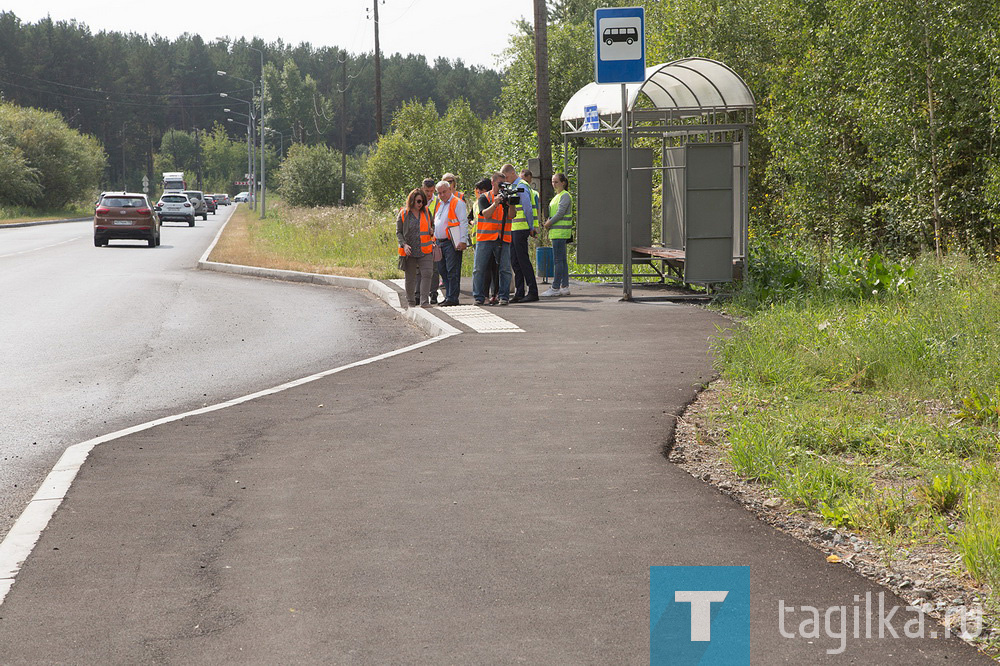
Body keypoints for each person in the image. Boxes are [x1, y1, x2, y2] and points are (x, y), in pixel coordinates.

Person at [472, 175, 513, 306]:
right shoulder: (485, 197)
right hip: (485, 237)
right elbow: (486, 214)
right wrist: (496, 203)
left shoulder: (506, 197)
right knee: (479, 268)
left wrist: (510, 204)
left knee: (505, 269)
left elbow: (512, 215)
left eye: (503, 184)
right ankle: (479, 296)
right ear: (492, 183)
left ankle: (503, 296)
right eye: (499, 184)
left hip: (503, 237)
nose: (501, 187)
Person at [501, 163, 538, 303]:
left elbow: (527, 208)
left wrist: (531, 226)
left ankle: (532, 291)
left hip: (521, 228)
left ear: (511, 173)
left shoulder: (521, 186)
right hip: (515, 228)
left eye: (505, 176)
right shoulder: (513, 187)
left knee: (523, 261)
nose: (504, 179)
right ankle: (520, 291)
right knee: (516, 262)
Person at [396, 188, 435, 308]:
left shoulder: (427, 212)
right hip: (410, 251)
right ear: (412, 200)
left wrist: (432, 229)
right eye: (418, 201)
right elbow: (399, 232)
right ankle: (411, 302)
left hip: (425, 250)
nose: (420, 204)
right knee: (410, 278)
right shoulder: (403, 214)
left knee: (427, 273)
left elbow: (432, 224)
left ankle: (424, 302)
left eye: (422, 201)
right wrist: (404, 244)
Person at [433, 179, 468, 306]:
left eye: (444, 192)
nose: (442, 195)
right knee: (443, 270)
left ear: (450, 190)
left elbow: (463, 222)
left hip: (452, 241)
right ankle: (449, 295)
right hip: (439, 242)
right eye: (439, 193)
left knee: (452, 270)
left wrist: (463, 240)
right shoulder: (440, 204)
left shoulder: (457, 203)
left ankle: (453, 298)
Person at [542, 172, 573, 297]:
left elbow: (560, 213)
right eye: (553, 181)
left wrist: (548, 223)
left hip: (560, 231)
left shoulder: (564, 196)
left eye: (556, 182)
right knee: (562, 261)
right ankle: (564, 286)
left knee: (558, 261)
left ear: (563, 183)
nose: (553, 184)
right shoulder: (558, 196)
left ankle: (555, 287)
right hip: (557, 232)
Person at [415, 178, 440, 305]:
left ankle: (433, 293)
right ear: (422, 189)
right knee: (419, 269)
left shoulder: (437, 201)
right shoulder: (417, 201)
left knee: (433, 269)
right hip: (419, 241)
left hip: (433, 239)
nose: (429, 194)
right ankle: (417, 294)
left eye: (431, 191)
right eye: (426, 191)